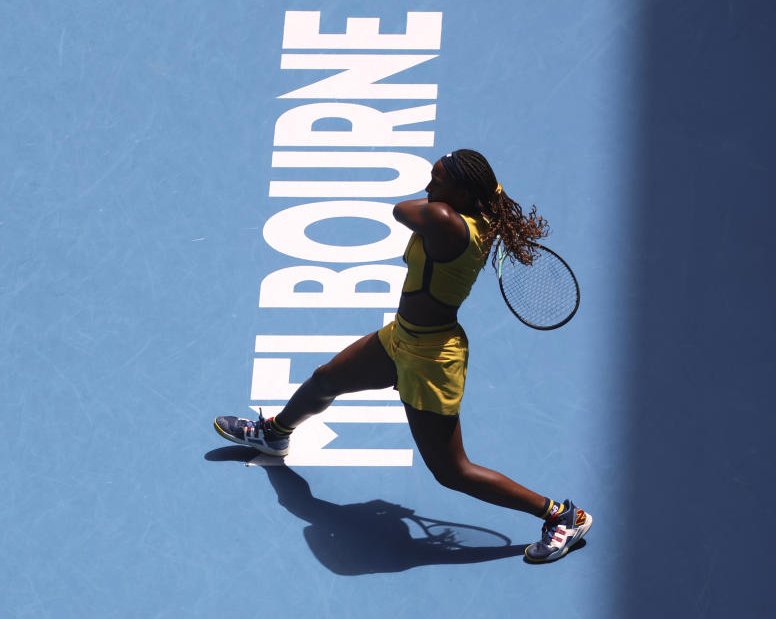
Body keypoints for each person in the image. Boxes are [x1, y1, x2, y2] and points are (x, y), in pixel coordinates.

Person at [214, 149, 591, 563]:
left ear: (463, 193)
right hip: (402, 337)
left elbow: (399, 210)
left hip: (431, 360)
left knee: (452, 471)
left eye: (437, 181)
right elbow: (473, 190)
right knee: (326, 380)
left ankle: (562, 515)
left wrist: (439, 199)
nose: (429, 188)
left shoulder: (444, 221)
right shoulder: (475, 205)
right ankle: (275, 433)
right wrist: (452, 187)